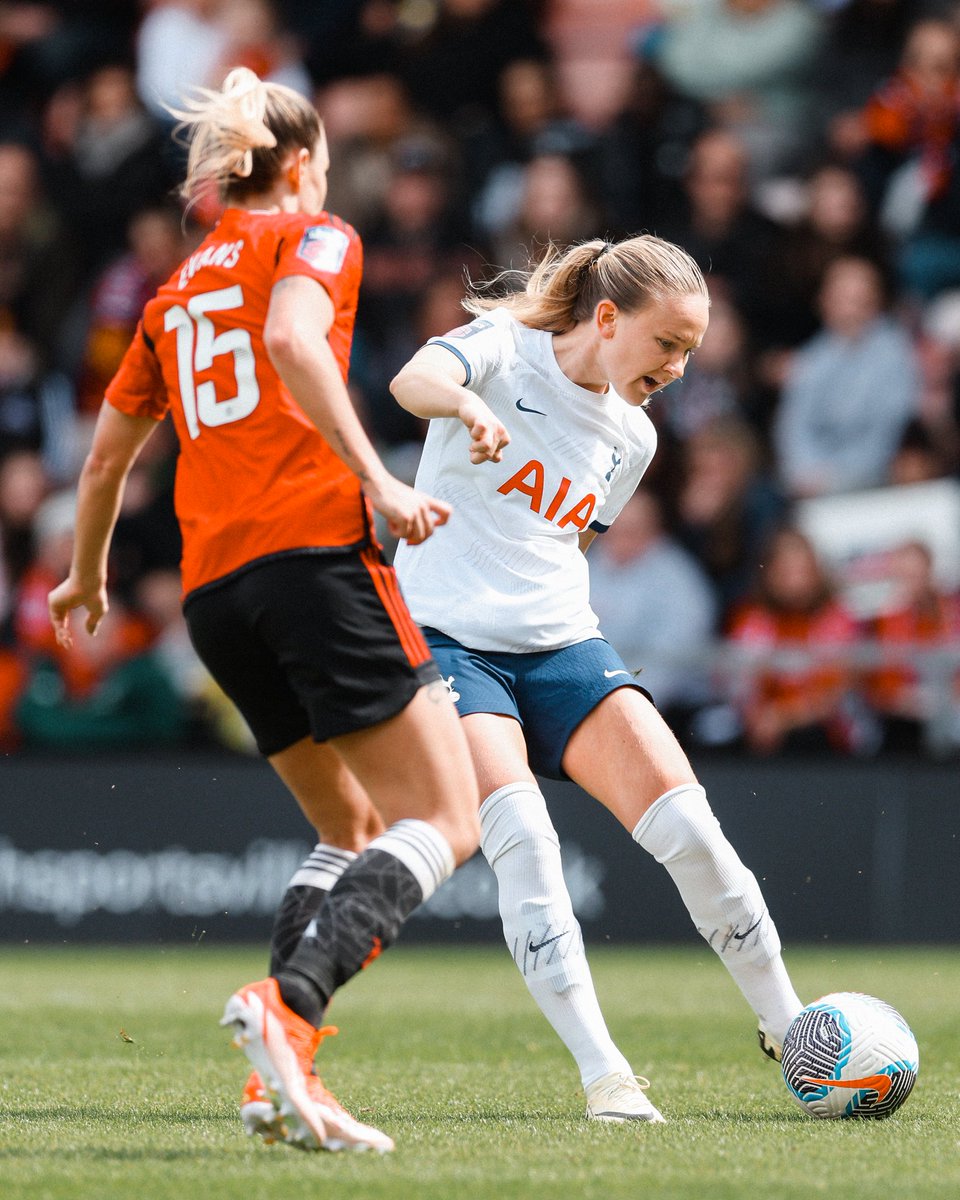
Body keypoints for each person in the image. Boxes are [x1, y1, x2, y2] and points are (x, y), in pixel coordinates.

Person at [47, 67, 480, 1155]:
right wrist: (378, 480)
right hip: (313, 559)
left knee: (348, 828)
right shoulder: (316, 236)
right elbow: (293, 341)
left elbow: (103, 464)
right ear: (298, 168)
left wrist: (86, 577)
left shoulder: (172, 291)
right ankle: (289, 1009)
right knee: (451, 819)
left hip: (214, 592)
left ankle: (279, 1074)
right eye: (323, 164)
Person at [389, 235, 804, 1122]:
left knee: (695, 833)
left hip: (562, 646)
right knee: (527, 842)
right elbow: (409, 383)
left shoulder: (635, 437)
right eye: (668, 344)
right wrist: (464, 407)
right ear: (608, 317)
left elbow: (569, 538)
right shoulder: (502, 346)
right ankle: (605, 1076)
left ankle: (797, 1036)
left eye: (691, 350)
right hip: (447, 642)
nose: (680, 368)